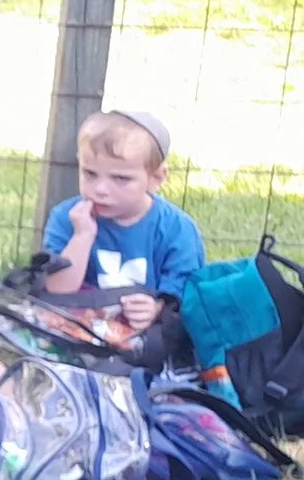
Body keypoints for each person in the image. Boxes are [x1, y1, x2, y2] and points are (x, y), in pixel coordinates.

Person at [41, 110, 205, 340]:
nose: (100, 189)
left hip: (147, 340)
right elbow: (58, 291)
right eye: (90, 174)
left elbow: (188, 295)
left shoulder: (177, 230)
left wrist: (157, 308)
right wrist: (82, 236)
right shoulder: (66, 218)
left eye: (121, 179)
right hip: (79, 334)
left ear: (155, 178)